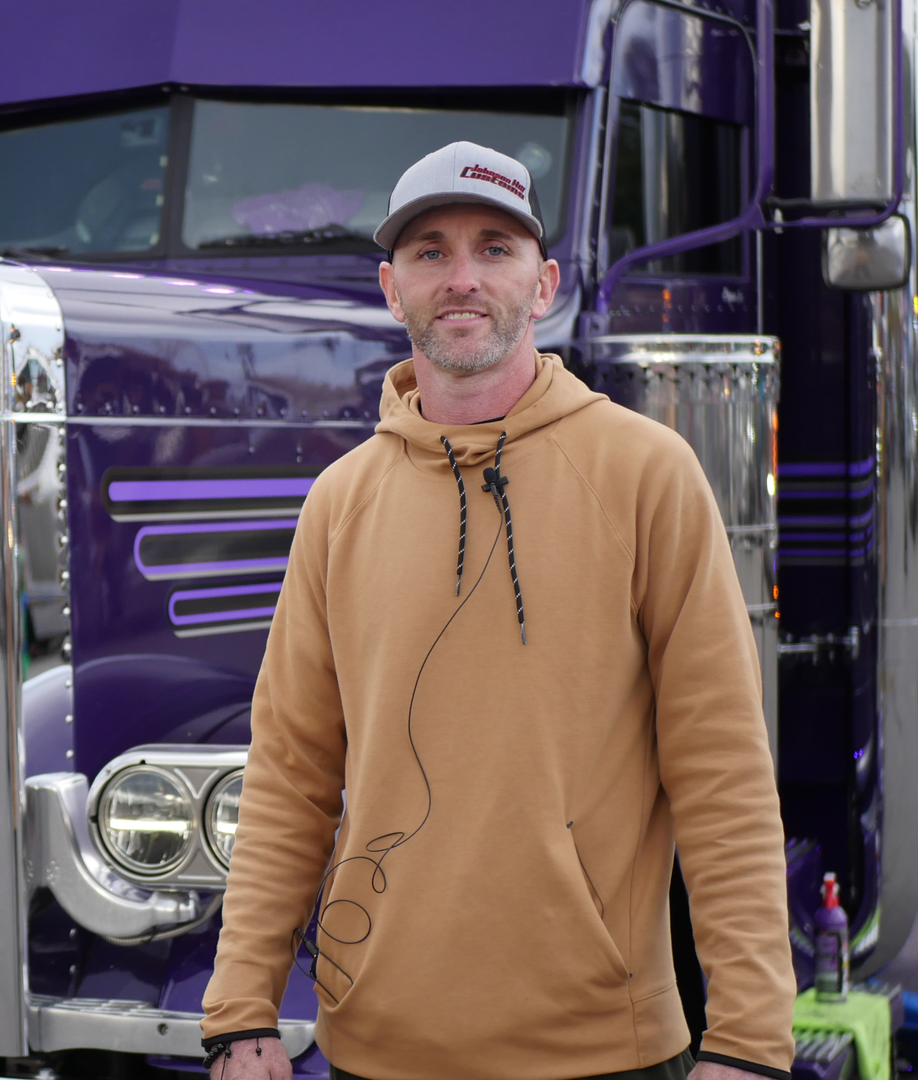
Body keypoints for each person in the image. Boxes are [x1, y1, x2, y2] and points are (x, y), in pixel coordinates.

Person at [198, 142, 796, 1080]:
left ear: (544, 282)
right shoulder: (340, 502)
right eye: (431, 252)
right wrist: (242, 1010)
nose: (463, 277)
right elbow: (289, 775)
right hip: (375, 1051)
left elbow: (721, 771)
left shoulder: (645, 474)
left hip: (602, 1051)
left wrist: (751, 1040)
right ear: (392, 289)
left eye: (494, 247)